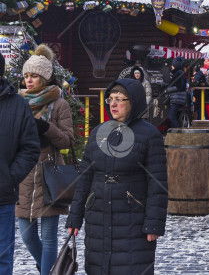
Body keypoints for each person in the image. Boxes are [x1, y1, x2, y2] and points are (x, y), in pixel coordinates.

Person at [67, 79, 168, 275]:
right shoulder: (99, 132)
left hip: (133, 220)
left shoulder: (149, 135)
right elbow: (85, 179)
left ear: (134, 102)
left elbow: (157, 183)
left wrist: (154, 223)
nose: (113, 104)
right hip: (98, 217)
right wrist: (75, 216)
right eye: (110, 99)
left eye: (119, 99)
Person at [15, 45, 74, 275]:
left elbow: (68, 141)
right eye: (26, 76)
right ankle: (51, 269)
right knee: (26, 235)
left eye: (34, 76)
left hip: (50, 175)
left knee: (49, 238)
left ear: (45, 77)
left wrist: (46, 127)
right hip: (23, 174)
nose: (29, 80)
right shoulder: (18, 102)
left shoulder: (59, 104)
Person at [0, 52, 40, 275]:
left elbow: (30, 147)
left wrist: (8, 176)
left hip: (2, 197)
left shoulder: (17, 104)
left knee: (2, 257)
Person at [166, 57, 188, 128]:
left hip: (177, 99)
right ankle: (174, 133)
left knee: (171, 117)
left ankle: (179, 132)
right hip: (178, 98)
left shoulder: (178, 73)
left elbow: (179, 87)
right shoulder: (179, 72)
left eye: (172, 65)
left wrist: (167, 90)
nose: (171, 66)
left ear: (175, 65)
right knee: (174, 117)